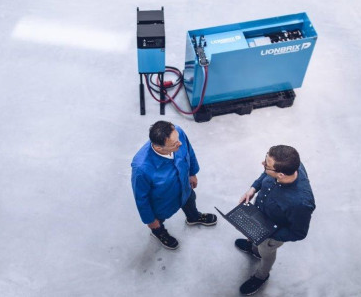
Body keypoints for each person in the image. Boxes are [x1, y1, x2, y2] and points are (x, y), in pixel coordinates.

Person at [235, 145, 315, 295]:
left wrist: (269, 235)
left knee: (266, 254)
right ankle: (254, 249)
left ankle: (261, 276)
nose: (262, 164)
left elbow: (299, 233)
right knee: (255, 242)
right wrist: (253, 189)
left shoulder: (301, 203)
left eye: (266, 165)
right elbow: (265, 174)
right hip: (258, 217)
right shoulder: (287, 166)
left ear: (281, 175)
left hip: (272, 234)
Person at [131, 121, 217, 250]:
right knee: (158, 222)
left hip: (185, 187)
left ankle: (193, 217)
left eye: (177, 138)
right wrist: (150, 221)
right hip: (163, 202)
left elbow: (189, 150)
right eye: (175, 144)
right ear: (159, 148)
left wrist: (192, 173)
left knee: (190, 201)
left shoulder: (177, 133)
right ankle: (159, 233)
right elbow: (141, 198)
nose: (180, 143)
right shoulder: (142, 169)